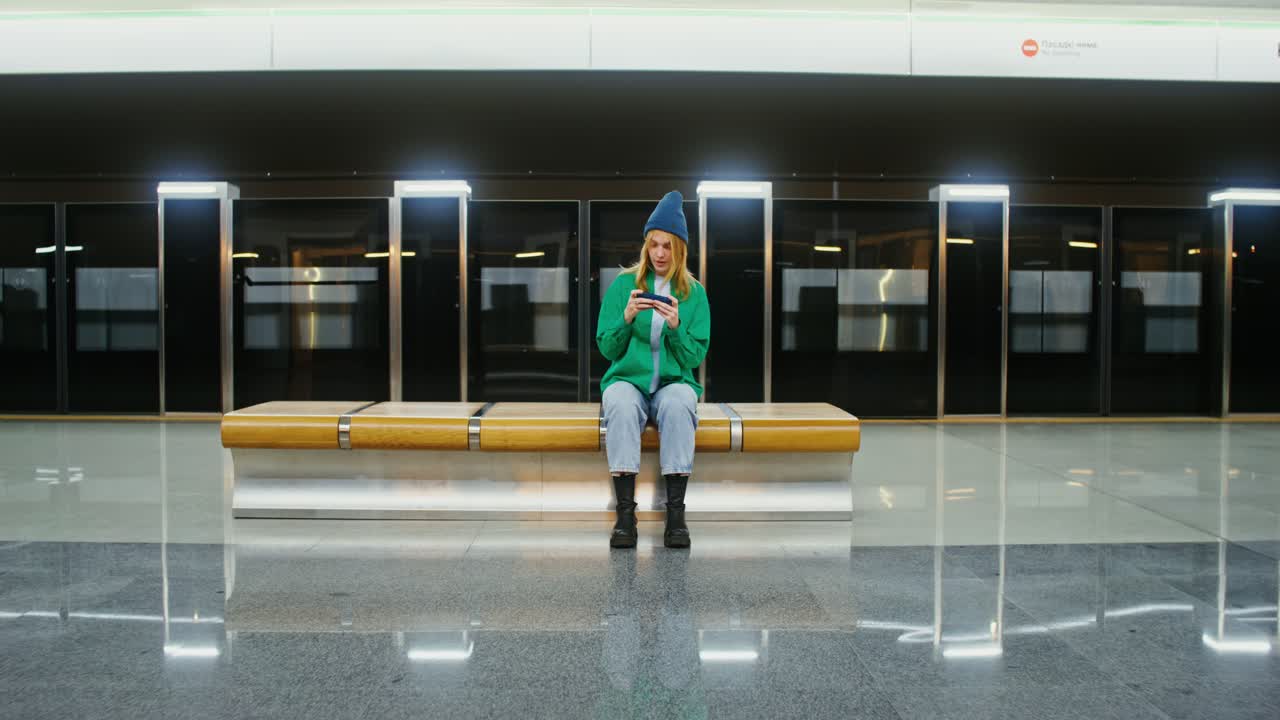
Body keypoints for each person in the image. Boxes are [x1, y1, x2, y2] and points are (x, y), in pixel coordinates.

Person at [596, 190, 710, 549]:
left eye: (668, 246)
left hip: (673, 382)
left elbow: (694, 358)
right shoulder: (623, 286)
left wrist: (676, 327)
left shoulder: (695, 294)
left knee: (679, 403)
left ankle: (675, 515)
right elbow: (607, 347)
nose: (660, 253)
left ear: (680, 251)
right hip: (628, 380)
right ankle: (626, 514)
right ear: (646, 245)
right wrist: (627, 318)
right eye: (654, 244)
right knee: (620, 402)